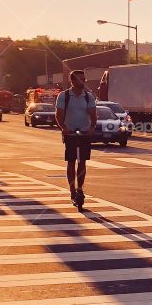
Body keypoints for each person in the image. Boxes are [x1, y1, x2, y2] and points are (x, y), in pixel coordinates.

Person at [55, 70, 97, 209]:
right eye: (80, 80)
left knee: (82, 161)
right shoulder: (64, 96)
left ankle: (80, 189)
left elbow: (93, 115)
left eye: (84, 80)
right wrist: (63, 127)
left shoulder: (88, 97)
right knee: (71, 161)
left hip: (84, 133)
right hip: (70, 133)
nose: (83, 82)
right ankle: (72, 191)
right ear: (72, 81)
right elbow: (59, 115)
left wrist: (91, 128)